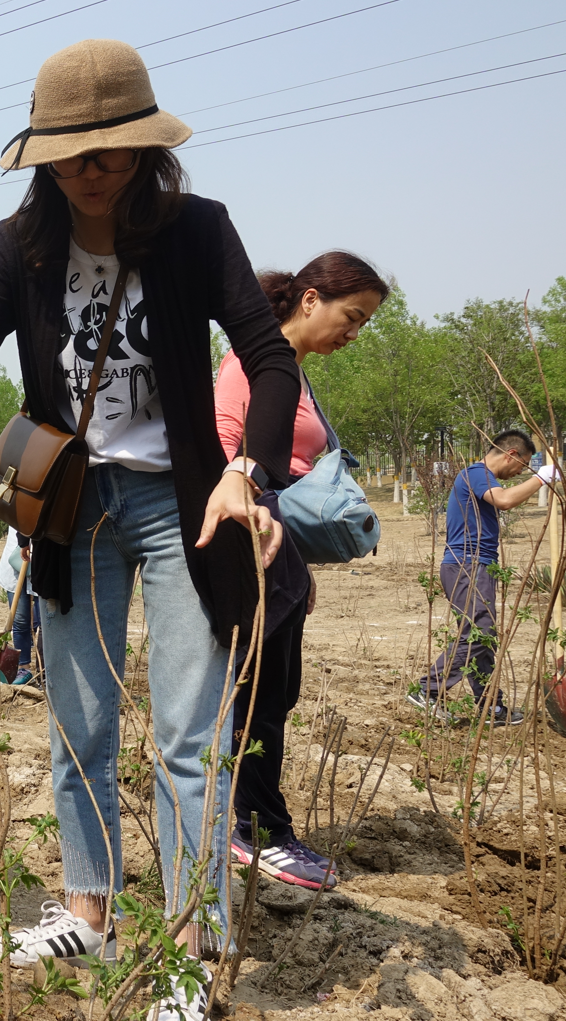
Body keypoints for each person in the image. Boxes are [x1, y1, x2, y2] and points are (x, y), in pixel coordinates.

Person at [0, 40, 300, 1009]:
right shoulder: (19, 244)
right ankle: (87, 905)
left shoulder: (198, 232)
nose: (91, 167)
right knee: (77, 728)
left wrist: (244, 471)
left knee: (187, 736)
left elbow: (269, 357)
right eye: (72, 151)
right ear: (42, 155)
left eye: (112, 149)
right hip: (72, 507)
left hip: (181, 506)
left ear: (146, 151)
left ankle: (194, 952)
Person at [215, 251, 390, 891]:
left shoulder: (293, 371)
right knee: (257, 692)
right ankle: (258, 834)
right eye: (353, 316)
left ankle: (260, 828)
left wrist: (299, 563)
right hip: (251, 539)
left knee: (275, 690)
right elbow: (223, 449)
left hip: (277, 547)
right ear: (310, 299)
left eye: (365, 323)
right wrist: (263, 526)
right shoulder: (250, 363)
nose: (354, 332)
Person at [411, 430, 549, 727]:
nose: (518, 474)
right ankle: (428, 690)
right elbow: (505, 500)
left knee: (483, 637)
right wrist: (541, 478)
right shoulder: (477, 473)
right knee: (478, 632)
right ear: (511, 454)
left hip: (477, 565)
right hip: (467, 565)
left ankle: (490, 707)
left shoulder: (481, 476)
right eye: (522, 466)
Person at [0, 528, 38, 685]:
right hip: (16, 558)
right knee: (20, 620)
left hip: (42, 556)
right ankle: (23, 667)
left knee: (45, 623)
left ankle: (46, 671)